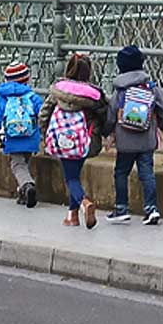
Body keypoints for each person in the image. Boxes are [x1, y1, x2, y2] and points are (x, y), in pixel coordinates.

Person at [39, 54, 109, 228]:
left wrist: (45, 133)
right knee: (74, 175)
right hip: (83, 141)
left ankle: (84, 203)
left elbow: (44, 114)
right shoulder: (95, 95)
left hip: (61, 139)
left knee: (71, 179)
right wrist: (104, 134)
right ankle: (72, 216)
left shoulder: (58, 91)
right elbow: (105, 116)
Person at [105, 46, 163, 226]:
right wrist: (155, 124)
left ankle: (121, 208)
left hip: (125, 141)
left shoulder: (119, 90)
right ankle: (151, 209)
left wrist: (108, 132)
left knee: (120, 172)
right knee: (147, 174)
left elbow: (111, 115)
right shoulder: (150, 87)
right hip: (146, 139)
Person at [0, 61, 45, 208]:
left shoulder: (1, 99)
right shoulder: (33, 97)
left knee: (17, 164)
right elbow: (42, 116)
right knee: (24, 163)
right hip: (31, 138)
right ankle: (22, 193)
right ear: (27, 79)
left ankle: (27, 185)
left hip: (12, 139)